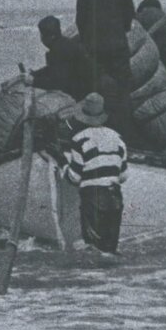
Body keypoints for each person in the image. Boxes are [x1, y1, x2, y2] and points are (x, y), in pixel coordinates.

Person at [74, 0, 135, 133]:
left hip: (93, 49)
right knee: (122, 92)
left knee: (95, 90)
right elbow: (128, 18)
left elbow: (80, 21)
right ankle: (122, 133)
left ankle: (94, 130)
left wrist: (88, 40)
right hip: (117, 48)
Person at [62, 92, 128, 260]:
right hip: (115, 197)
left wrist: (63, 166)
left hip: (93, 198)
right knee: (109, 250)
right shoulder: (118, 138)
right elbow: (123, 176)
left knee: (93, 250)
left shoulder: (79, 139)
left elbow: (75, 177)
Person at [30, 15, 94, 98]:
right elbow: (53, 69)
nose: (41, 39)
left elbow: (57, 83)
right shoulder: (64, 44)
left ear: (51, 37)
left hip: (82, 93)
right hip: (85, 88)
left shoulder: (59, 51)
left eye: (42, 35)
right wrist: (35, 74)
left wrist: (33, 81)